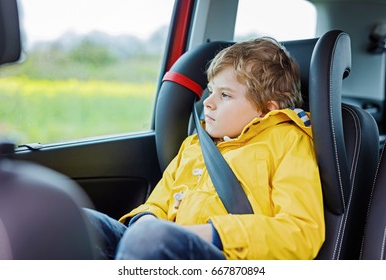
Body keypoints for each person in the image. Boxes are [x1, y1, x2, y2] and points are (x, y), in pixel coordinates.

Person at [85, 37, 325, 260]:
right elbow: (159, 201)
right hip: (162, 243)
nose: (208, 103)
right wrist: (145, 219)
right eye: (211, 92)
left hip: (225, 255)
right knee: (79, 221)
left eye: (225, 95)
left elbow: (301, 232)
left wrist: (212, 233)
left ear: (266, 110)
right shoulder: (195, 146)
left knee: (150, 239)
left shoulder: (288, 141)